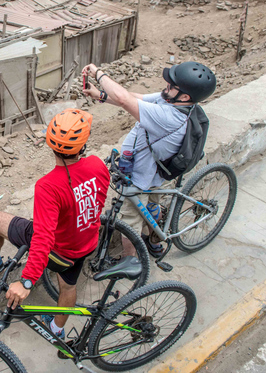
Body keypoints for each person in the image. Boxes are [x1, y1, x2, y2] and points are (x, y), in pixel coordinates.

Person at [0, 109, 110, 340]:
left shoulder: (48, 186)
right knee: (69, 288)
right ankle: (56, 329)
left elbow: (43, 238)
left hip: (58, 250)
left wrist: (27, 280)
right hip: (85, 243)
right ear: (82, 145)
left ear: (50, 144)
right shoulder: (98, 165)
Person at [81, 61, 216, 257]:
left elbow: (124, 100)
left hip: (140, 177)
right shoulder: (172, 101)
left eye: (172, 85)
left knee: (129, 223)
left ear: (185, 96)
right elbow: (137, 98)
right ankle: (155, 241)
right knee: (152, 205)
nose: (166, 85)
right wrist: (100, 95)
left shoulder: (169, 116)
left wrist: (98, 74)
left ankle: (133, 264)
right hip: (153, 173)